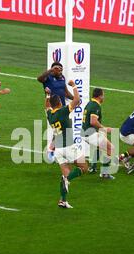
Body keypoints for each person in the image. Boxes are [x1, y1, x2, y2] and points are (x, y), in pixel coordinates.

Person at [46, 80, 87, 208]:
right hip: (68, 146)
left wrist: (47, 95)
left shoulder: (50, 115)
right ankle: (67, 180)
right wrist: (74, 85)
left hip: (58, 149)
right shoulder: (63, 111)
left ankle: (62, 200)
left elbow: (46, 107)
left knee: (65, 172)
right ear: (59, 102)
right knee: (84, 168)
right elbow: (76, 100)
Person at [38, 62, 74, 161]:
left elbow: (65, 92)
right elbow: (39, 79)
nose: (60, 71)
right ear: (53, 69)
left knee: (62, 129)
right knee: (58, 130)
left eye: (61, 69)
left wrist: (74, 99)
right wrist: (51, 70)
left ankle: (53, 150)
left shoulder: (62, 78)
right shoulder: (48, 77)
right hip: (52, 107)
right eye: (58, 69)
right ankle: (52, 150)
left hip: (62, 108)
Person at [81, 88, 117, 179]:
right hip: (90, 134)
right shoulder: (95, 106)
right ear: (100, 96)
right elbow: (93, 121)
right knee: (110, 148)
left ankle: (92, 167)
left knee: (100, 145)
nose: (104, 97)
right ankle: (105, 173)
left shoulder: (90, 103)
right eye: (103, 95)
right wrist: (105, 128)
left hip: (85, 132)